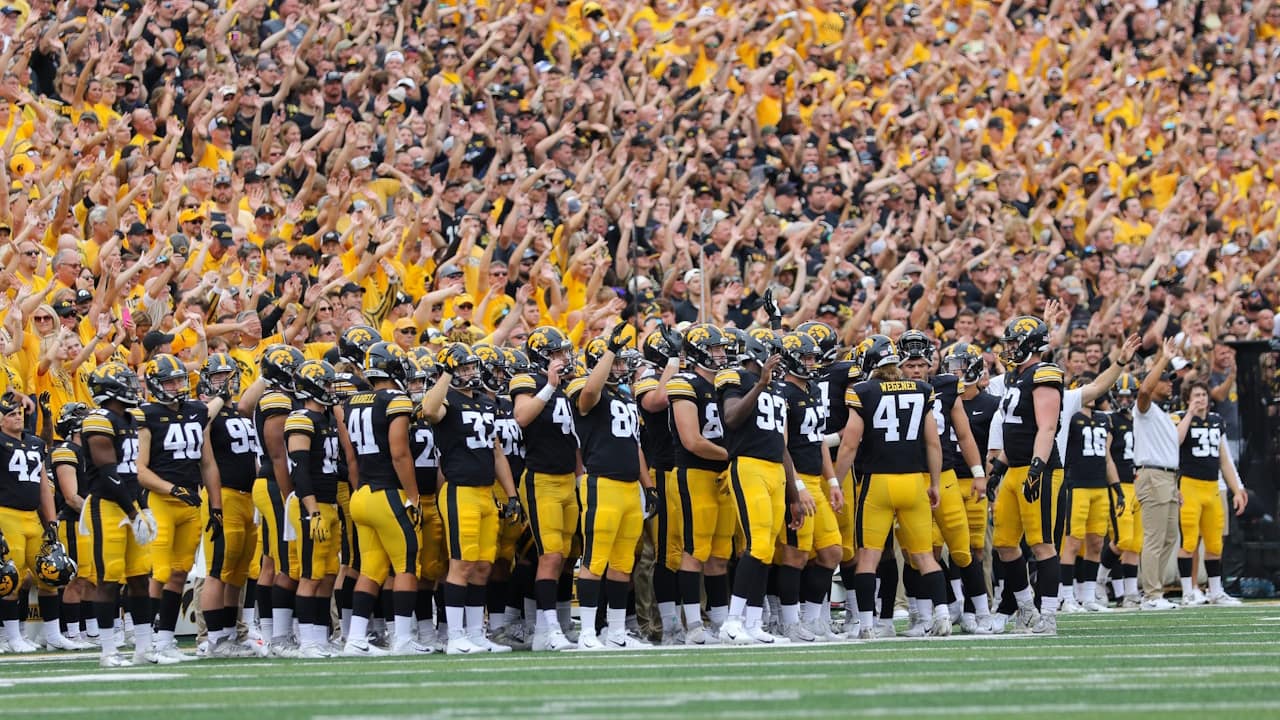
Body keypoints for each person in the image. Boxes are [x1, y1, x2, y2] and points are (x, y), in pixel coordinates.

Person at [834, 335, 948, 640]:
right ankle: (942, 615)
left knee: (868, 557)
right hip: (913, 481)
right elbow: (933, 442)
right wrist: (935, 482)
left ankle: (867, 625)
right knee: (924, 556)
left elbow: (849, 445)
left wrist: (835, 480)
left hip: (878, 483)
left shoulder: (863, 391)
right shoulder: (922, 389)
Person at [420, 343, 522, 654]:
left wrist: (512, 494)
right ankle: (455, 636)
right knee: (461, 564)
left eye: (469, 367)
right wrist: (447, 375)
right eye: (462, 367)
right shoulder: (446, 400)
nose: (469, 372)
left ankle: (477, 634)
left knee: (482, 566)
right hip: (459, 490)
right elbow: (427, 410)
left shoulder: (484, 403)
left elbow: (496, 452)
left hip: (486, 492)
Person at [715, 327, 813, 645]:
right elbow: (731, 418)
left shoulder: (777, 390)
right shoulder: (738, 378)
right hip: (749, 466)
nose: (781, 363)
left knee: (767, 550)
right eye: (776, 356)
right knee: (757, 545)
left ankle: (754, 623)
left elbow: (779, 443)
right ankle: (732, 621)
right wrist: (759, 384)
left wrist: (794, 493)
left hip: (775, 471)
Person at [566, 329, 655, 649]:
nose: (620, 367)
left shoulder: (625, 394)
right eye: (614, 361)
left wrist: (649, 486)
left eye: (621, 362)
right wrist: (608, 352)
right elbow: (589, 395)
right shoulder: (585, 387)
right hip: (602, 484)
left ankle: (615, 632)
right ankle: (589, 631)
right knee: (595, 558)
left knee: (622, 563)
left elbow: (635, 445)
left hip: (631, 487)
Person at [342, 342, 429, 656]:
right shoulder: (395, 398)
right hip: (388, 493)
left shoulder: (353, 400)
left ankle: (354, 639)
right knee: (406, 566)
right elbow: (399, 453)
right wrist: (414, 496)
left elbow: (351, 455)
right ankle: (403, 639)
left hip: (362, 494)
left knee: (371, 570)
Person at [136, 353, 219, 663]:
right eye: (169, 381)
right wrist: (172, 489)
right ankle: (148, 642)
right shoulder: (147, 416)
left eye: (178, 380)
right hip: (161, 500)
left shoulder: (197, 412)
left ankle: (166, 640)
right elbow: (140, 470)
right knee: (159, 573)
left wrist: (216, 504)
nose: (175, 386)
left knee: (179, 572)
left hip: (191, 502)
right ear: (156, 385)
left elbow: (207, 462)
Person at [989, 317, 1063, 635]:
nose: (1009, 349)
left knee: (1042, 543)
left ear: (1032, 343)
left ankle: (1048, 614)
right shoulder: (1016, 378)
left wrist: (1036, 468)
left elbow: (1046, 427)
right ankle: (1027, 609)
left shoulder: (1043, 374)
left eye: (1014, 342)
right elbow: (1016, 431)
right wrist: (999, 469)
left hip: (1039, 469)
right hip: (1016, 467)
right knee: (1005, 543)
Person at [510, 326, 580, 652]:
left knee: (565, 556)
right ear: (543, 356)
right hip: (541, 480)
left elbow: (574, 441)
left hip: (568, 479)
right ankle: (545, 630)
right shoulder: (529, 381)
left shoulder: (566, 388)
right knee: (549, 556)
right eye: (558, 353)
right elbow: (522, 416)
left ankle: (562, 625)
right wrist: (550, 387)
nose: (565, 358)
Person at [82, 363, 156, 668]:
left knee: (140, 577)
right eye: (126, 383)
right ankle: (109, 651)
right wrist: (132, 511)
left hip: (130, 503)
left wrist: (144, 507)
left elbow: (130, 472)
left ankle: (143, 647)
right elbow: (109, 473)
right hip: (107, 506)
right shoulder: (98, 420)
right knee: (109, 579)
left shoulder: (129, 418)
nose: (133, 387)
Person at [665, 324, 733, 644]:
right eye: (715, 348)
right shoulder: (684, 382)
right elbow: (692, 440)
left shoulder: (727, 383)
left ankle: (721, 624)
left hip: (724, 475)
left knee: (720, 553)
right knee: (695, 551)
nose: (721, 353)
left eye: (722, 348)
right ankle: (693, 625)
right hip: (695, 474)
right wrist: (733, 455)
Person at [283, 360, 344, 657]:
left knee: (329, 573)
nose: (332, 390)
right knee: (310, 574)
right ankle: (307, 640)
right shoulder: (301, 418)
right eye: (327, 384)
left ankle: (320, 637)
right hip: (313, 505)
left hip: (329, 503)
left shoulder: (328, 418)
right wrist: (312, 510)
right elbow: (299, 469)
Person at [1172, 381, 1248, 607]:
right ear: (1187, 398)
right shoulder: (1180, 417)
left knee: (1215, 544)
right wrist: (1189, 413)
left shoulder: (1216, 421)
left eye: (1203, 395)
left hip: (1212, 487)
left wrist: (1236, 489)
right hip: (1190, 486)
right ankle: (1188, 591)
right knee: (1188, 542)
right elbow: (1175, 442)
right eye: (1196, 395)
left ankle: (1215, 591)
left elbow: (1224, 460)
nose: (1201, 399)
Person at [1059, 379, 1124, 614]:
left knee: (1096, 543)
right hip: (1077, 485)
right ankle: (1066, 597)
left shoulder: (1103, 419)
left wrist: (1116, 487)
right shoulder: (1071, 418)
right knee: (1073, 542)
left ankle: (1087, 597)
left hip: (1099, 486)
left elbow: (1106, 457)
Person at [1133, 338, 1183, 611]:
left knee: (1168, 537)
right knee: (1154, 537)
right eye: (1166, 379)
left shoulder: (1162, 414)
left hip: (1168, 478)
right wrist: (1163, 357)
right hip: (1152, 476)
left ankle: (1156, 591)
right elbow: (1144, 390)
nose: (1170, 383)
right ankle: (1151, 594)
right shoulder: (1145, 409)